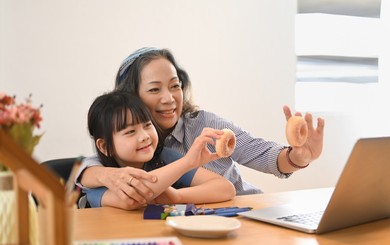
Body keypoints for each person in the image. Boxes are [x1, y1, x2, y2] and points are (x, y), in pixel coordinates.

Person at [76, 47, 325, 209]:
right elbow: (88, 168)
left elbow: (259, 154)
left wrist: (297, 157)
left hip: (245, 208)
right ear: (130, 97)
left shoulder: (202, 125)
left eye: (175, 86)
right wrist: (101, 176)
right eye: (154, 89)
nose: (169, 98)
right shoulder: (134, 150)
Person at [81, 90, 235, 209]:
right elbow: (131, 199)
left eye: (147, 125)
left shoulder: (164, 157)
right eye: (130, 132)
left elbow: (226, 188)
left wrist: (177, 197)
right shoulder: (102, 176)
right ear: (105, 146)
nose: (144, 136)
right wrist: (187, 162)